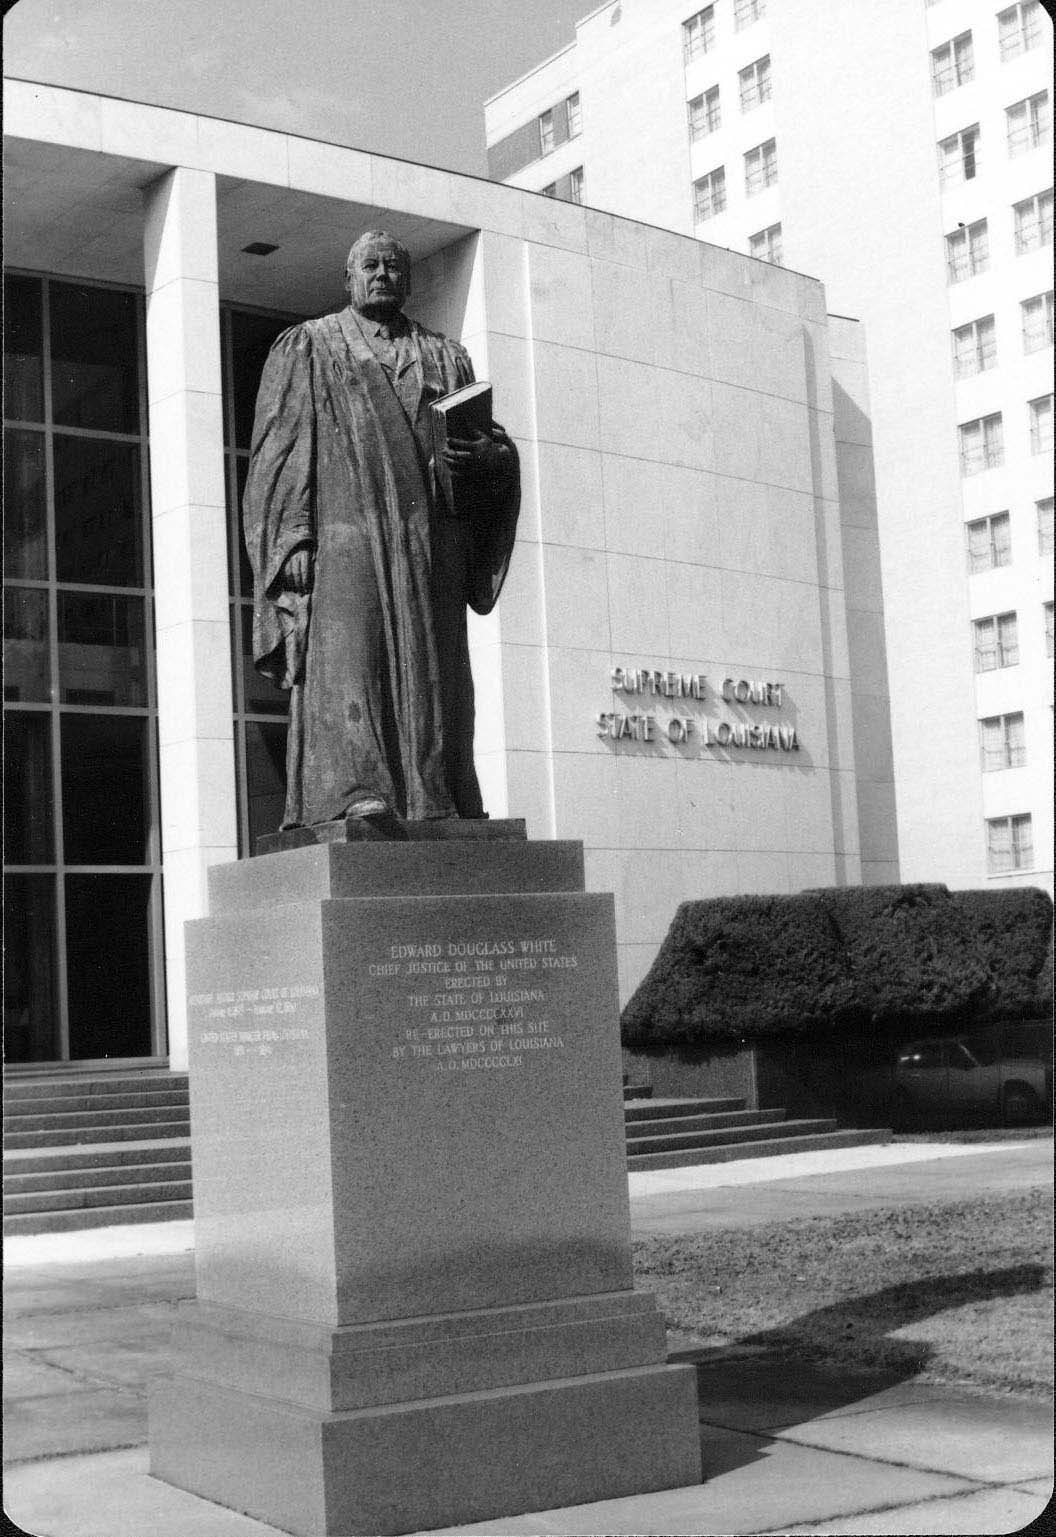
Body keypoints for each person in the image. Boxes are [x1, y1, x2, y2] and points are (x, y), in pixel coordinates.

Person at [243, 230, 520, 835]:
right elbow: (278, 450)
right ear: (348, 278)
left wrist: (488, 460)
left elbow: (483, 442)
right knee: (350, 657)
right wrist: (292, 538)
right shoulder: (310, 347)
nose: (382, 275)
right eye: (369, 265)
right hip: (349, 534)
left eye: (394, 266)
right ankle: (352, 791)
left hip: (429, 542)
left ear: (409, 280)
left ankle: (440, 789)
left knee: (440, 667)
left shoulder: (448, 356)